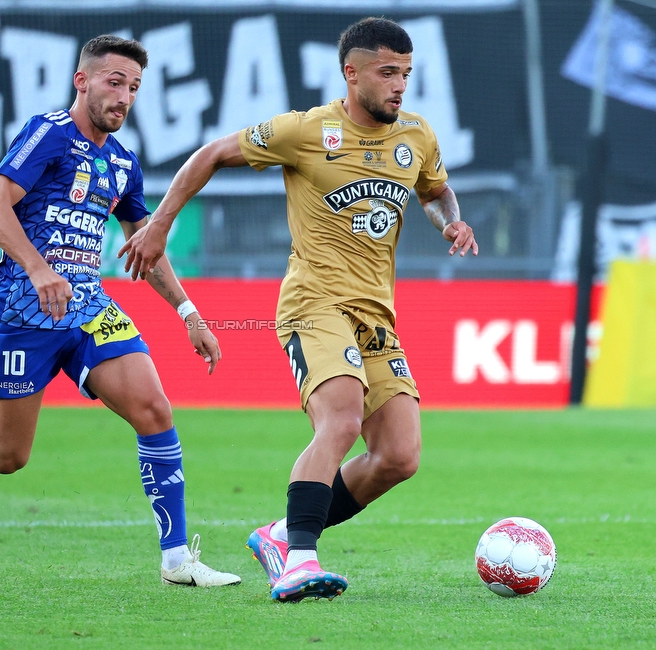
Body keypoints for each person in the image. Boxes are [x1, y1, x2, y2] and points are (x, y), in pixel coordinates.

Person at [118, 17, 478, 601]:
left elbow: (435, 191)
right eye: (388, 73)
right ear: (351, 73)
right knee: (339, 420)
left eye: (406, 74)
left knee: (398, 455)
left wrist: (451, 222)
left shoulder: (417, 135)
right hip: (314, 302)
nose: (399, 86)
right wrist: (158, 225)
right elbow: (211, 154)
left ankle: (282, 534)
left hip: (376, 316)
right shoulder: (308, 130)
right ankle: (299, 559)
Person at [0, 35, 240, 588]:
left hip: (88, 307)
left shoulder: (123, 163)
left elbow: (144, 251)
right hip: (22, 310)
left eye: (133, 88)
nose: (124, 97)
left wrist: (189, 313)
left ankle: (176, 559)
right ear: (83, 81)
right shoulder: (49, 132)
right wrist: (37, 267)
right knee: (5, 456)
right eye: (114, 82)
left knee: (154, 409)